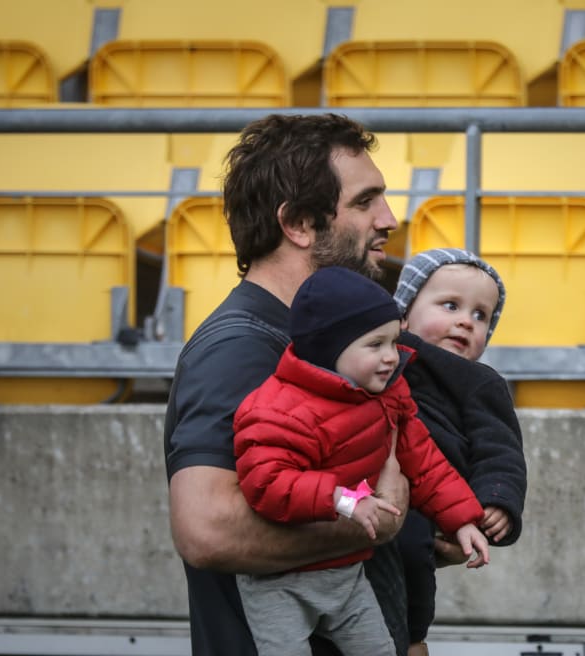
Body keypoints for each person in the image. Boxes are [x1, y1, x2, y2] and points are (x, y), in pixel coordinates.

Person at [163, 113, 413, 655]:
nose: (389, 219)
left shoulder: (329, 342)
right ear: (299, 223)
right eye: (365, 202)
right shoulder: (242, 348)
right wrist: (379, 518)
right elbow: (207, 528)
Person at [233, 266, 490, 655]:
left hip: (346, 574)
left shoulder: (387, 394)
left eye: (394, 341)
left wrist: (463, 519)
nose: (391, 357)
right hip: (278, 584)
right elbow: (266, 484)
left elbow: (423, 460)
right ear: (329, 347)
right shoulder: (277, 409)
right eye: (375, 345)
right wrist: (344, 499)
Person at [392, 248, 528, 655]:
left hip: (433, 498)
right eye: (450, 305)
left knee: (413, 551)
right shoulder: (381, 355)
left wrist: (497, 498)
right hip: (375, 485)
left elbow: (499, 450)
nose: (466, 321)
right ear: (404, 313)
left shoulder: (479, 381)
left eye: (481, 315)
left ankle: (413, 636)